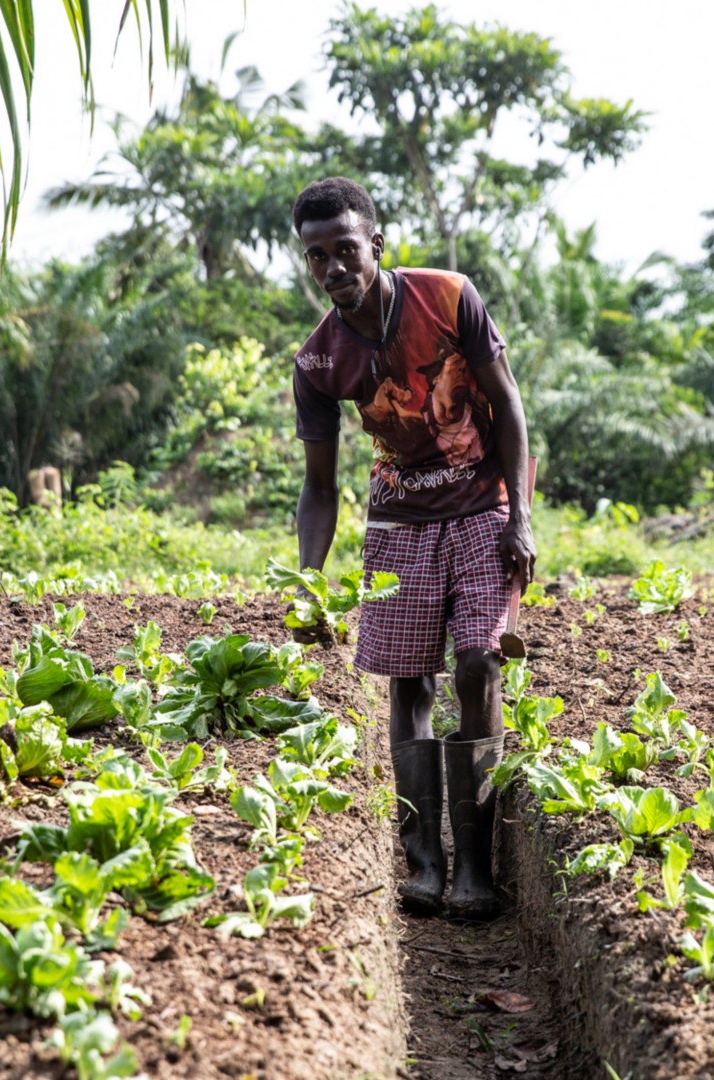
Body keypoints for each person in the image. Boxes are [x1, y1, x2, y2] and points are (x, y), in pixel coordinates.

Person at [287, 176, 536, 921]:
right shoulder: (319, 363)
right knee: (407, 681)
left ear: (377, 246)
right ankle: (424, 863)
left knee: (478, 664)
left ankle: (478, 868)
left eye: (346, 250)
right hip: (399, 521)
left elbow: (511, 406)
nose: (334, 267)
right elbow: (321, 489)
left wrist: (521, 514)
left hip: (482, 500)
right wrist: (307, 582)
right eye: (317, 256)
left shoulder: (448, 297)